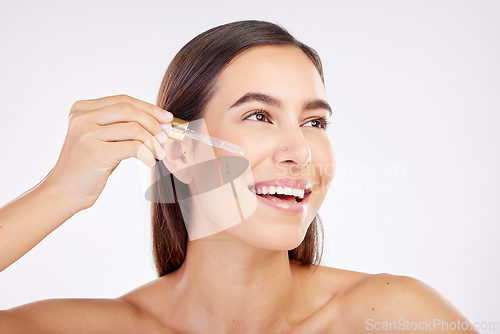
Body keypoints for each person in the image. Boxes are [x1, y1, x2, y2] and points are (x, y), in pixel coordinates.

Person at [0, 20, 477, 333]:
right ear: (180, 151)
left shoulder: (393, 315)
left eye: (314, 123)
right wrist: (58, 193)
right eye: (259, 116)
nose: (299, 152)